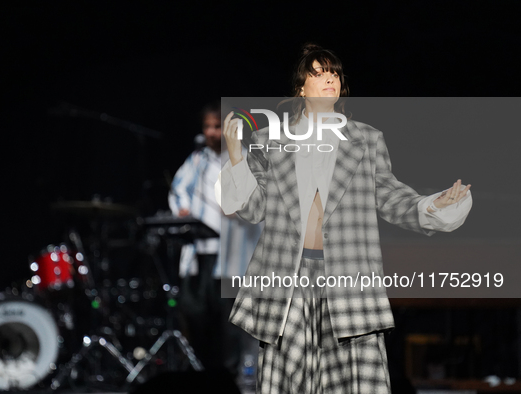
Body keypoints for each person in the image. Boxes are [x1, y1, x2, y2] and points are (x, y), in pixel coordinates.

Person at [216, 44, 472, 393]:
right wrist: (236, 157)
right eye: (318, 73)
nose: (329, 79)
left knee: (357, 381)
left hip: (349, 276)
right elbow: (254, 208)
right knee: (289, 382)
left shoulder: (366, 140)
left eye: (334, 73)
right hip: (288, 278)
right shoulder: (270, 141)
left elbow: (389, 195)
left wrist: (432, 205)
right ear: (301, 88)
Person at [168, 102, 262, 374]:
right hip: (200, 251)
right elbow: (177, 190)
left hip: (231, 253)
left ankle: (230, 375)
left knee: (228, 321)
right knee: (194, 310)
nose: (211, 132)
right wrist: (181, 208)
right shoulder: (196, 161)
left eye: (217, 126)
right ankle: (205, 371)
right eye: (207, 127)